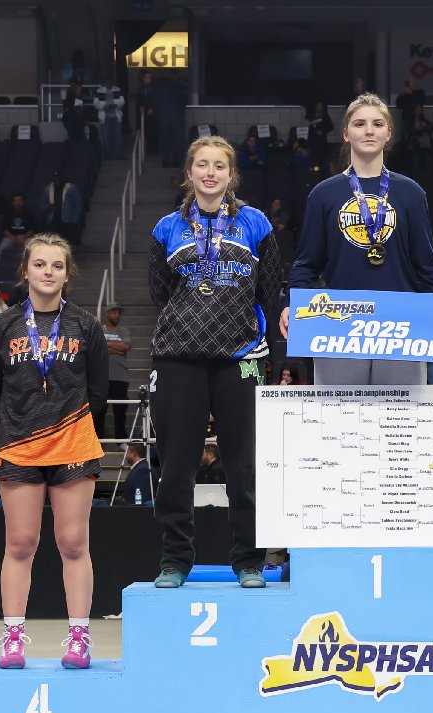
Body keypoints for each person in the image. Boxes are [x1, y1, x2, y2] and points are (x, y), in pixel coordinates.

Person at [147, 135, 283, 589]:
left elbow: (270, 290)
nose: (210, 173)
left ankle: (249, 560)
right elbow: (159, 294)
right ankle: (174, 560)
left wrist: (242, 330)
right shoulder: (166, 227)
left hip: (240, 357)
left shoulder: (256, 223)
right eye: (202, 165)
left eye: (219, 166)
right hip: (179, 358)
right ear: (189, 173)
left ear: (231, 174)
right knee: (176, 467)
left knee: (243, 467)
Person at [0, 233, 109, 670]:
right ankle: (13, 637)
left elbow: (99, 392)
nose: (48, 272)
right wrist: (21, 419)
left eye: (57, 265)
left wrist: (61, 420)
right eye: (39, 264)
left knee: (73, 542)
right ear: (25, 271)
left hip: (73, 444)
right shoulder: (4, 325)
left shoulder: (86, 325)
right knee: (20, 543)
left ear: (67, 274)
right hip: (19, 447)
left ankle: (79, 637)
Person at [280, 92, 433, 385]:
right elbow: (306, 263)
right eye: (360, 124)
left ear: (389, 134)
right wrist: (291, 303)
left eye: (377, 124)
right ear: (346, 133)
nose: (369, 131)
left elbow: (427, 263)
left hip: (401, 324)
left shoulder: (411, 193)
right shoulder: (323, 194)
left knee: (401, 413)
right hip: (338, 325)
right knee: (338, 413)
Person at [101, 304, 131, 438]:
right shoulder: (100, 329)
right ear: (107, 313)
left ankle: (121, 440)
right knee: (99, 411)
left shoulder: (123, 330)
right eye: (114, 312)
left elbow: (126, 346)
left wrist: (108, 345)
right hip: (102, 378)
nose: (117, 315)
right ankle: (98, 440)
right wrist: (117, 350)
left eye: (118, 313)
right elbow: (98, 348)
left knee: (120, 411)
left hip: (121, 377)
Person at [0, 194, 36, 259]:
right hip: (10, 237)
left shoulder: (29, 214)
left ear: (23, 202)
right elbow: (4, 229)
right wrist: (11, 237)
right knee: (2, 249)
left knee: (29, 250)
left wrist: (24, 237)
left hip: (25, 236)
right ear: (13, 203)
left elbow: (32, 230)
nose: (17, 203)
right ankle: (1, 264)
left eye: (20, 200)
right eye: (15, 201)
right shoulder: (8, 214)